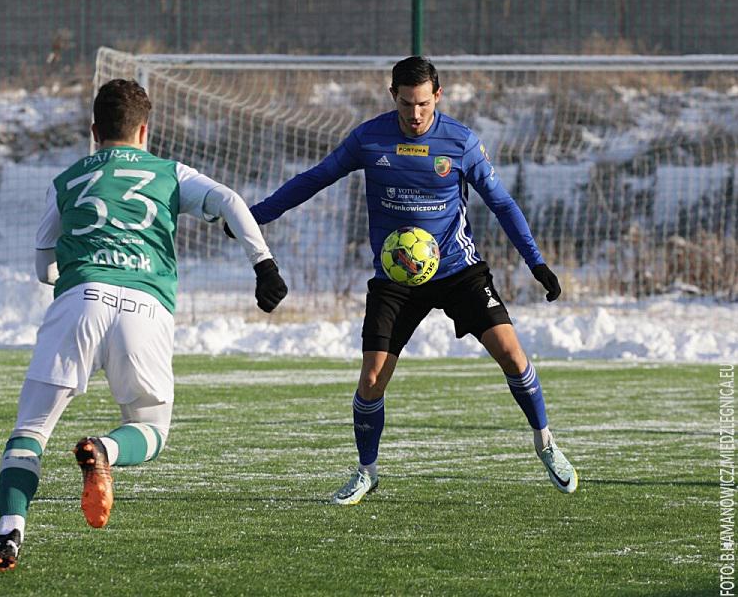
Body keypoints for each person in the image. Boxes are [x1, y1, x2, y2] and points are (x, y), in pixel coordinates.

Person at [0, 79, 288, 573]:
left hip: (79, 302)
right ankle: (104, 450)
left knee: (29, 432)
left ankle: (10, 533)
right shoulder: (168, 172)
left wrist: (67, 277)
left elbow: (43, 264)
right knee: (151, 430)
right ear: (144, 130)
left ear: (94, 131)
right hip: (144, 307)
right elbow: (228, 200)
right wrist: (263, 264)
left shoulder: (67, 180)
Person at [234, 56, 577, 505]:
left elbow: (502, 204)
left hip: (457, 270)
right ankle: (366, 472)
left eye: (423, 105)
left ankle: (546, 443)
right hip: (397, 276)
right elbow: (315, 179)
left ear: (437, 96)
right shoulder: (369, 138)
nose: (415, 115)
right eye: (406, 104)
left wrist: (536, 263)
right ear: (392, 94)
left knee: (513, 355)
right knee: (372, 378)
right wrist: (253, 217)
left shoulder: (460, 143)